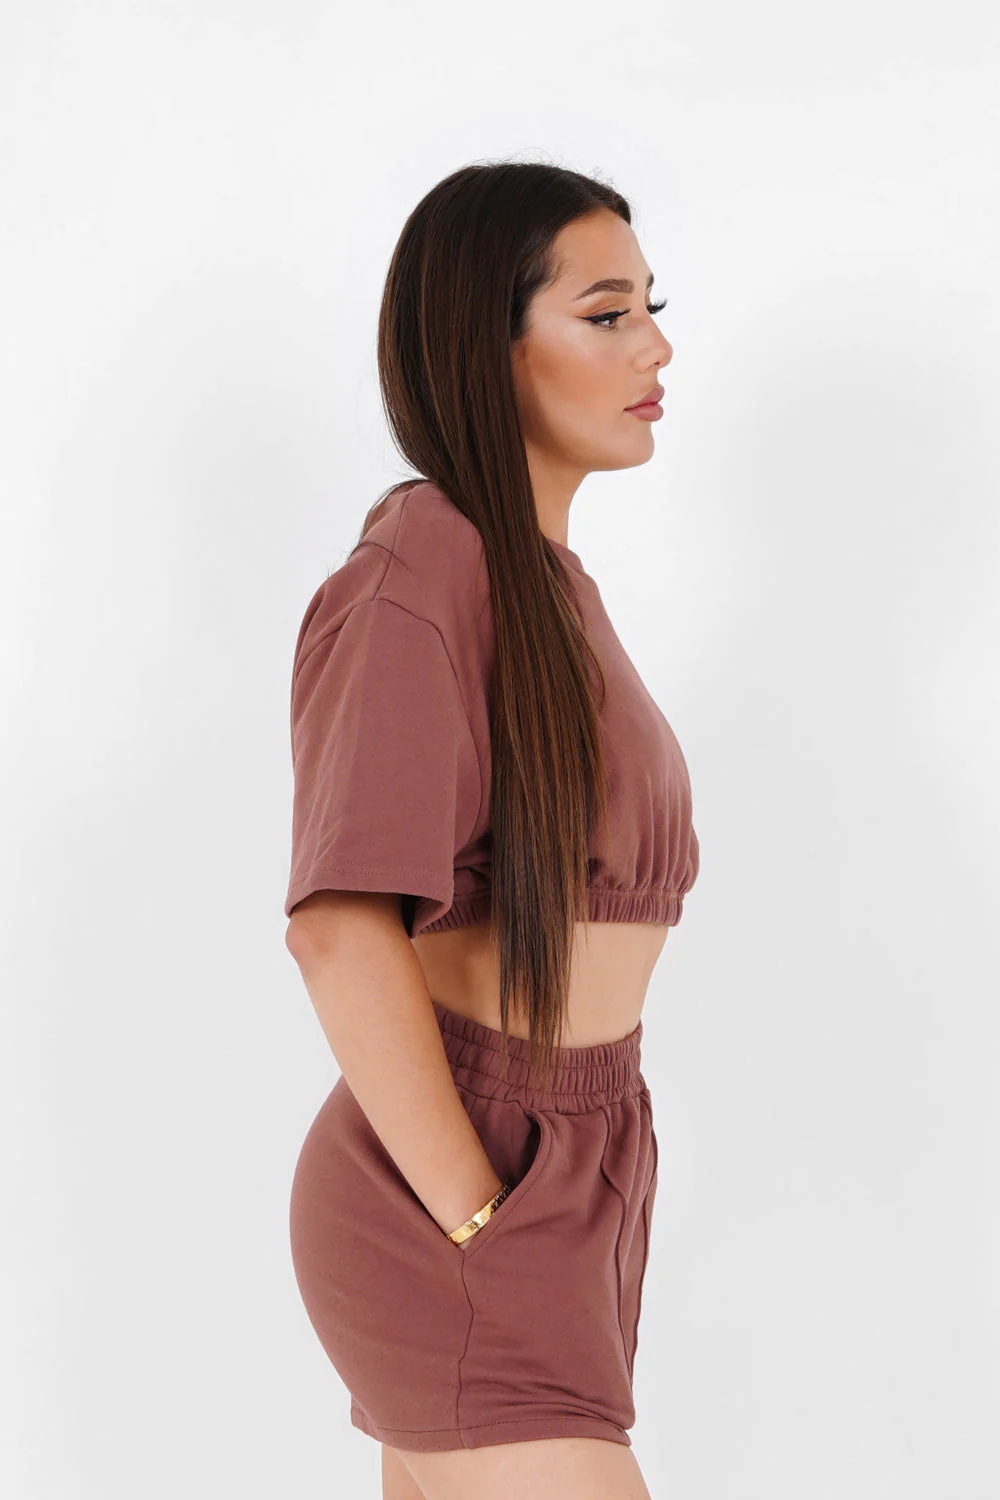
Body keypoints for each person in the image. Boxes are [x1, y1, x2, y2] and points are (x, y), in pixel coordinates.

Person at [282, 161, 700, 1500]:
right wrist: (475, 1211)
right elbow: (342, 927)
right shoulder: (425, 563)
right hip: (463, 1179)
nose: (655, 346)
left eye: (651, 309)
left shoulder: (549, 590)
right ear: (488, 345)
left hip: (577, 1172)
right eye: (606, 313)